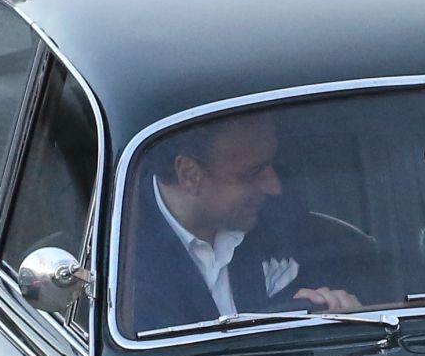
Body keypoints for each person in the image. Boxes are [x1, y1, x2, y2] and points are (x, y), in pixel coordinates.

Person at [126, 111, 362, 334]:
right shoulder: (121, 261)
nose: (274, 187)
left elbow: (335, 293)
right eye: (252, 173)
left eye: (271, 164)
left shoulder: (283, 218)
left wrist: (342, 314)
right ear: (190, 175)